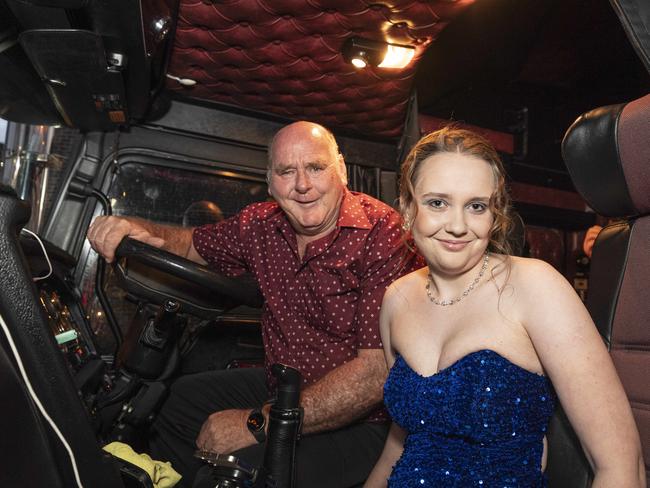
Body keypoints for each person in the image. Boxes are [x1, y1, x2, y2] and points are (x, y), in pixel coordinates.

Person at [87, 121, 420, 488]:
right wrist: (130, 227)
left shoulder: (384, 233)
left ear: (340, 169)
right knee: (175, 406)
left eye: (315, 167)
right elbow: (188, 243)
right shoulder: (259, 225)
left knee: (236, 471)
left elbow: (374, 377)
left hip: (364, 421)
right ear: (269, 180)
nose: (303, 184)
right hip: (283, 385)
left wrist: (258, 423)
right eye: (286, 171)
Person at [364, 127, 645, 487]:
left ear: (495, 216)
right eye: (437, 203)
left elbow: (621, 466)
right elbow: (400, 444)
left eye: (476, 206)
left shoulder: (536, 287)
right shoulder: (396, 299)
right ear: (407, 208)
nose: (457, 225)